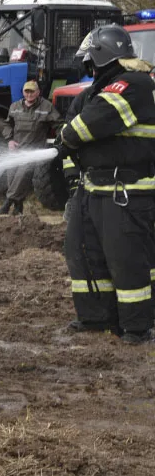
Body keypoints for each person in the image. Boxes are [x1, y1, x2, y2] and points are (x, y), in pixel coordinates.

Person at [55, 24, 155, 344]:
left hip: (126, 192)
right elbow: (69, 135)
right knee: (83, 254)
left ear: (100, 55)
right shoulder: (91, 94)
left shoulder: (135, 83)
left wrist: (69, 138)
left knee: (126, 261)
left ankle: (138, 328)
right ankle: (96, 317)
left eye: (90, 61)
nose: (87, 68)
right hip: (91, 191)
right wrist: (73, 186)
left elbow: (83, 128)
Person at [0, 80, 61, 215]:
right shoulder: (14, 107)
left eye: (32, 91)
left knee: (22, 174)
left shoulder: (46, 107)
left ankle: (7, 202)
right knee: (12, 175)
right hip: (17, 150)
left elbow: (59, 124)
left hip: (34, 151)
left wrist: (62, 138)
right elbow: (7, 125)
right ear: (23, 92)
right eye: (27, 91)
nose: (29, 94)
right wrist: (9, 140)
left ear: (38, 92)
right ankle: (18, 207)